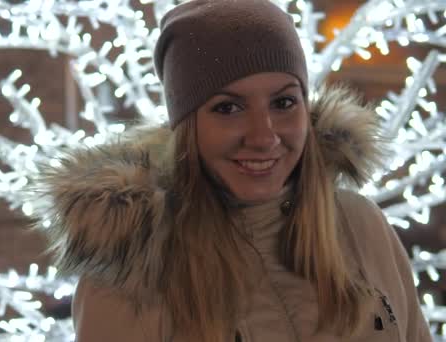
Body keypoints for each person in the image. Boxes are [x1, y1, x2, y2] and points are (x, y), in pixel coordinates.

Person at [30, 0, 432, 340]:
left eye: (284, 103)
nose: (264, 137)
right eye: (228, 108)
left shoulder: (361, 224)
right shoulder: (129, 274)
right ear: (186, 126)